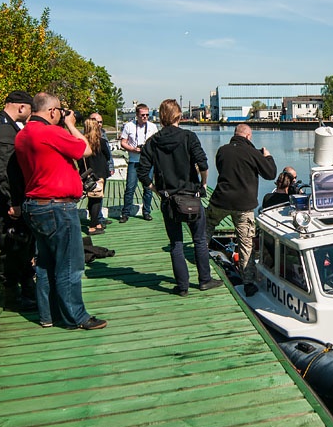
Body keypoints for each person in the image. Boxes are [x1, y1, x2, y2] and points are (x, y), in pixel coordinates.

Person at [16, 92, 107, 330]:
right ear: (53, 112)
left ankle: (48, 315)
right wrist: (70, 124)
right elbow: (85, 149)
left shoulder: (23, 134)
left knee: (45, 264)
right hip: (57, 207)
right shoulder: (50, 132)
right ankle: (76, 317)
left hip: (35, 206)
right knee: (70, 264)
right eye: (60, 111)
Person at [137, 99, 223, 296]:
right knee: (199, 240)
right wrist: (202, 184)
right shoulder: (189, 137)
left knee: (176, 243)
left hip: (169, 199)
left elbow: (142, 173)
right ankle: (204, 280)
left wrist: (156, 190)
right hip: (191, 196)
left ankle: (182, 286)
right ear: (178, 115)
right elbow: (203, 164)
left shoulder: (153, 142)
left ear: (161, 117)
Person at [0, 90, 37, 311]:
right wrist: (12, 201)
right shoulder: (3, 129)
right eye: (29, 110)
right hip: (7, 199)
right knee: (12, 245)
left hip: (13, 196)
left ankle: (27, 290)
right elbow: (3, 169)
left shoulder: (6, 126)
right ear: (21, 107)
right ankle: (13, 297)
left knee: (22, 245)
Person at [206, 124, 277, 291]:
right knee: (246, 243)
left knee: (206, 230)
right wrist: (268, 157)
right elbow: (270, 174)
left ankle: (200, 261)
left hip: (220, 200)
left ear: (235, 134)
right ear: (248, 136)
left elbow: (221, 168)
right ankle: (248, 283)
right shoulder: (252, 153)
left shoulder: (222, 150)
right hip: (244, 205)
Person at [119, 103, 158, 222]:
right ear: (137, 115)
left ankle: (146, 212)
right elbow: (123, 142)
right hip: (134, 160)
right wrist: (132, 149)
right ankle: (125, 213)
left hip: (148, 162)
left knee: (148, 188)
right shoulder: (129, 126)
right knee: (130, 188)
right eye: (142, 115)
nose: (145, 117)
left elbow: (157, 143)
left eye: (147, 115)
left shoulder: (152, 127)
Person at [79, 118, 111, 235]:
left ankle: (95, 221)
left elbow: (79, 159)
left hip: (88, 173)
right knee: (97, 198)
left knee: (91, 197)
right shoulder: (100, 142)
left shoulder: (82, 142)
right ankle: (93, 225)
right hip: (100, 172)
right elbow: (107, 155)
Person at [88, 112, 114, 228]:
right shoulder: (94, 139)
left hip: (98, 170)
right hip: (95, 171)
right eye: (96, 121)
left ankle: (98, 219)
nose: (98, 124)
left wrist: (110, 167)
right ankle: (95, 221)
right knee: (94, 196)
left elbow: (109, 154)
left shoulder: (102, 134)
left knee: (98, 195)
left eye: (100, 122)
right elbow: (107, 153)